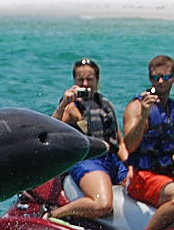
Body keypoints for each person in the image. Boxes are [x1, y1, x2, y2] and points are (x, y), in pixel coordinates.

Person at [122, 55, 174, 230]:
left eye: (165, 77)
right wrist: (144, 116)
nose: (160, 82)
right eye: (155, 77)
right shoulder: (136, 107)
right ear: (149, 78)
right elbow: (129, 145)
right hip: (143, 178)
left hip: (170, 177)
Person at [47, 57, 128, 221]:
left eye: (89, 79)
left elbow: (119, 140)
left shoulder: (106, 105)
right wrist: (63, 103)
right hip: (88, 161)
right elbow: (50, 131)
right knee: (103, 205)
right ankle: (55, 213)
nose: (85, 84)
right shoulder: (70, 107)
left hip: (112, 160)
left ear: (97, 81)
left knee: (141, 188)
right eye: (80, 80)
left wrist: (131, 164)